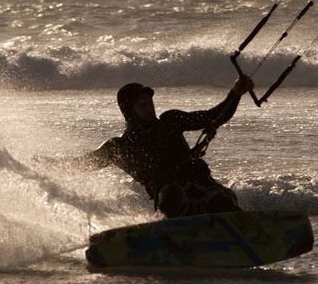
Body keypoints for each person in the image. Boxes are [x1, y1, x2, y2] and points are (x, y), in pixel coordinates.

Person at [78, 76, 254, 218]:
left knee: (224, 200)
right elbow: (82, 164)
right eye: (142, 104)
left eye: (150, 103)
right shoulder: (120, 147)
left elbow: (213, 117)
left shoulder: (171, 121)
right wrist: (49, 170)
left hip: (200, 185)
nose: (150, 108)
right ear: (129, 111)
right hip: (172, 198)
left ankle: (243, 229)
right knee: (172, 198)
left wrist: (235, 93)